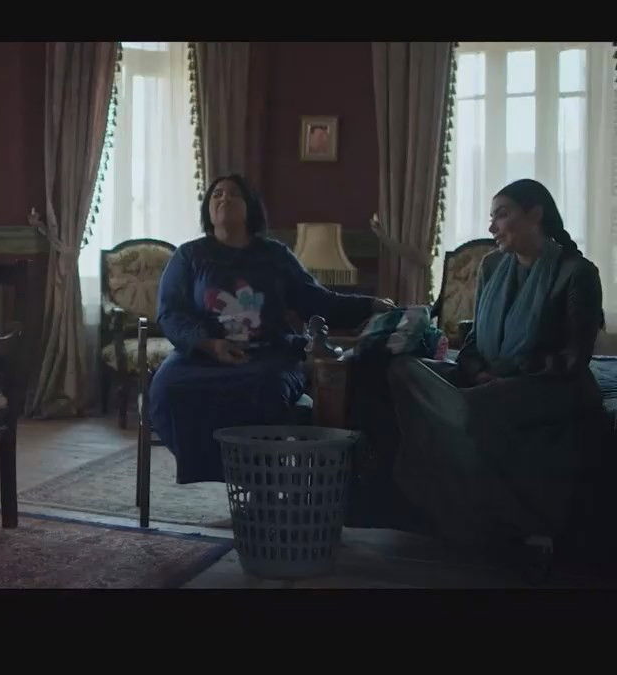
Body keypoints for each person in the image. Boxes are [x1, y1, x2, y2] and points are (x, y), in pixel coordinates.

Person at [387, 179, 607, 567]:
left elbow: (574, 357)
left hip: (551, 385)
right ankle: (459, 408)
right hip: (489, 380)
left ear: (535, 214)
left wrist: (510, 375)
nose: (492, 227)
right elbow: (472, 342)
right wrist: (477, 371)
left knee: (476, 407)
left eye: (502, 215)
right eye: (492, 217)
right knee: (404, 369)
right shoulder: (491, 266)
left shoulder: (576, 272)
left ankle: (461, 415)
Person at [149, 174, 392, 485]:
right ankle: (215, 470)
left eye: (233, 194)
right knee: (168, 388)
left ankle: (257, 478)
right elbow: (170, 312)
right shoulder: (188, 256)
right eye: (217, 194)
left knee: (267, 390)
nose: (224, 199)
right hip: (202, 356)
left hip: (268, 356)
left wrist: (371, 305)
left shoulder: (274, 255)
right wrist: (210, 344)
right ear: (207, 208)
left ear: (250, 206)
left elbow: (317, 300)